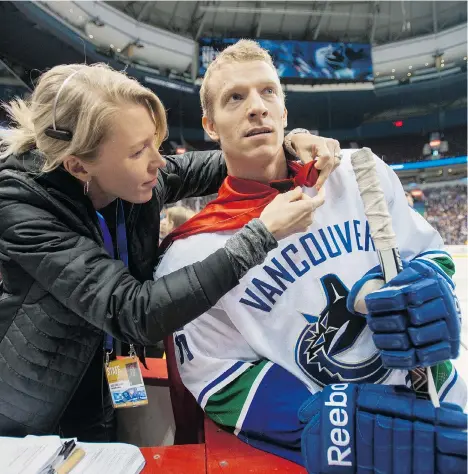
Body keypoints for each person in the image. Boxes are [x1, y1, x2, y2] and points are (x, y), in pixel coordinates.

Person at [155, 40, 467, 473]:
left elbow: (429, 252)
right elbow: (218, 375)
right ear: (210, 125)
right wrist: (325, 422)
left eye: (268, 93)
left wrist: (427, 287)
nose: (257, 107)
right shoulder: (190, 255)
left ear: (284, 112)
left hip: (444, 408)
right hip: (343, 453)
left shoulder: (360, 172)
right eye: (235, 97)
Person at [0, 62, 342, 440]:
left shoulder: (135, 178)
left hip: (104, 386)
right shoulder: (22, 207)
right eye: (137, 152)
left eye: (155, 143)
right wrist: (259, 236)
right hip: (26, 407)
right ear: (79, 166)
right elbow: (133, 310)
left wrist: (287, 142)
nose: (160, 162)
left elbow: (229, 160)